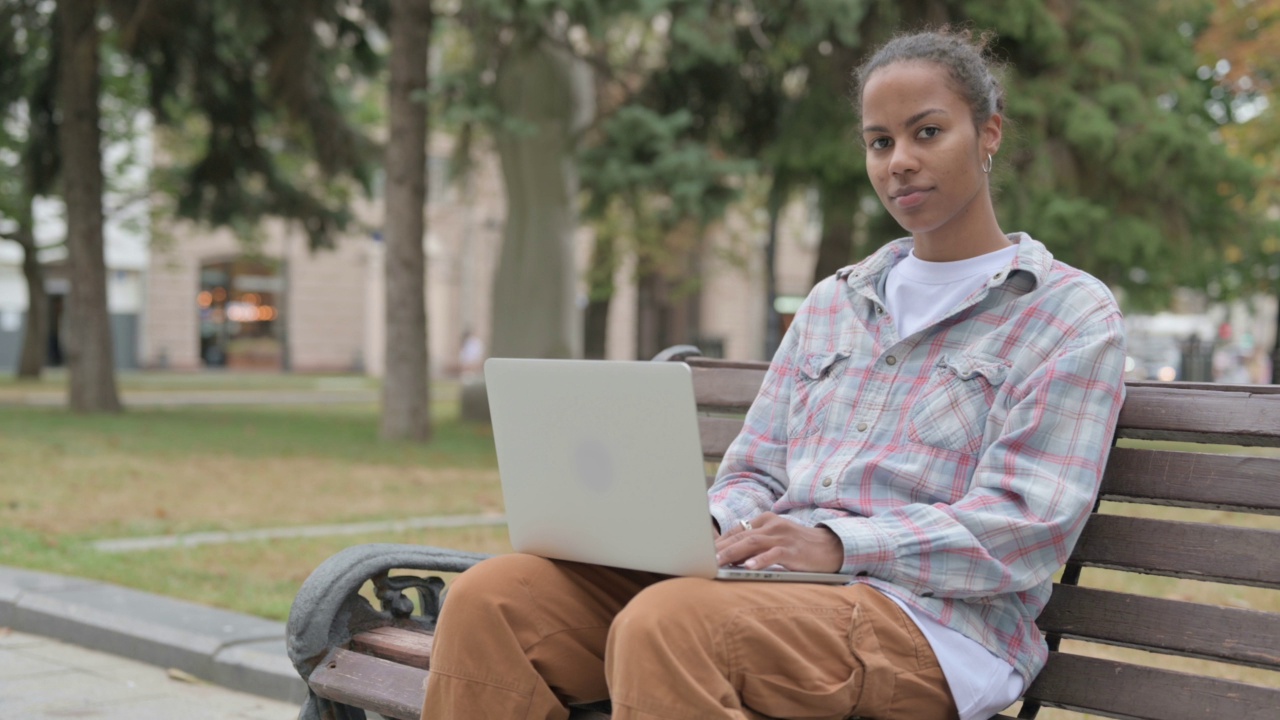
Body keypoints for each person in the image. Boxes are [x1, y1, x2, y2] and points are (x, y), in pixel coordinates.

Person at [421, 27, 1127, 720]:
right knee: (494, 600)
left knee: (670, 623)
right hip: (767, 591)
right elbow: (754, 471)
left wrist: (836, 545)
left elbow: (1027, 525)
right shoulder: (835, 301)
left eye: (927, 132)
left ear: (989, 133)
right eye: (880, 142)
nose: (899, 161)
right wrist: (703, 527)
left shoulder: (1065, 314)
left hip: (935, 627)